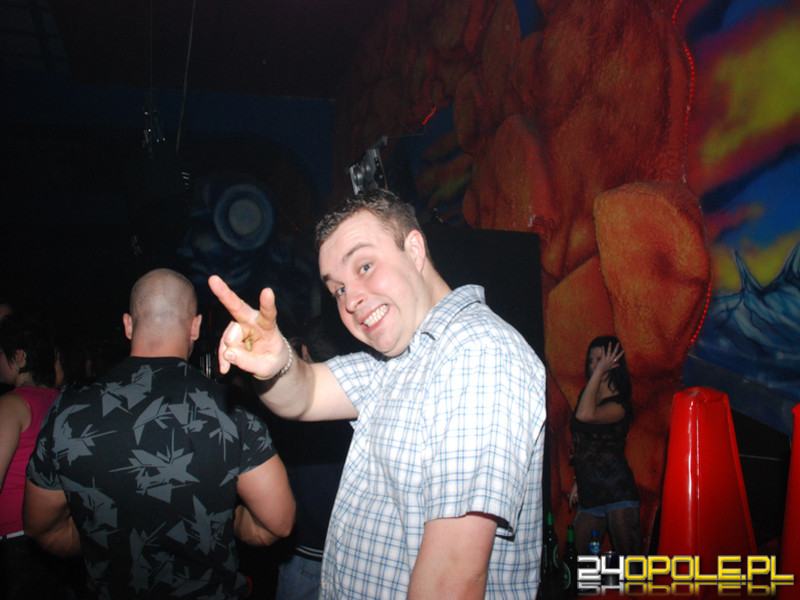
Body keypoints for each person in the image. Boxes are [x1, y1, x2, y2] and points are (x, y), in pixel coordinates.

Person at [209, 190, 546, 598]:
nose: (351, 300)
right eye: (337, 290)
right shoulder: (397, 362)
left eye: (365, 266)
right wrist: (277, 359)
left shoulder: (476, 353)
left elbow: (450, 580)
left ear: (415, 250)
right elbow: (304, 395)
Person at [25, 268, 296, 599]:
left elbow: (41, 527)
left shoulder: (68, 412)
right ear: (195, 326)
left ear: (128, 325)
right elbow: (277, 523)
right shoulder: (232, 410)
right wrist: (229, 520)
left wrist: (103, 540)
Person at [271, 321, 353, 600]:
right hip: (351, 556)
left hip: (307, 553)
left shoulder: (290, 415)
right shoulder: (362, 406)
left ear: (305, 351)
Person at [0, 315, 64, 598]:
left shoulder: (12, 404)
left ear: (19, 357)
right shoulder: (60, 400)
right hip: (53, 539)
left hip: (13, 543)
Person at [568, 335, 641, 555]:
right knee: (578, 561)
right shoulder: (588, 396)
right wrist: (578, 479)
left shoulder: (619, 404)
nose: (594, 365)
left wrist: (600, 372)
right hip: (590, 491)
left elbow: (585, 416)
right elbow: (584, 442)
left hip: (616, 490)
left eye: (600, 360)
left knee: (630, 564)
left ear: (613, 363)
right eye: (591, 360)